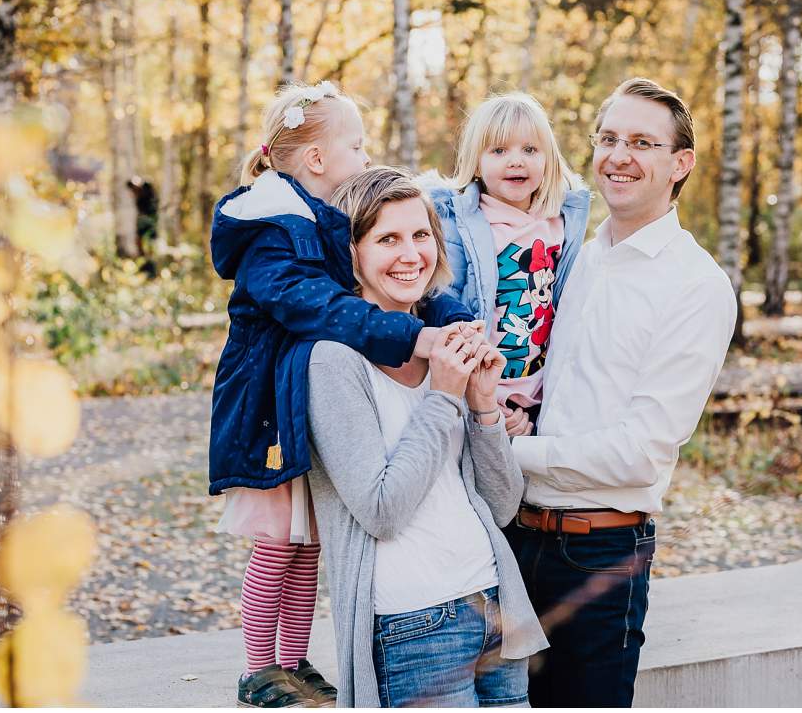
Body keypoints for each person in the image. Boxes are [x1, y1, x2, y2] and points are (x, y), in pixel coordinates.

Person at [208, 82, 482, 708]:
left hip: (306, 408)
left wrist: (453, 320)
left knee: (310, 547)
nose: (365, 157)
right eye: (355, 146)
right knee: (278, 544)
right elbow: (325, 308)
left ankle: (292, 659)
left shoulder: (320, 223)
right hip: (269, 413)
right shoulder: (271, 232)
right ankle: (259, 669)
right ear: (316, 161)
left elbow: (387, 284)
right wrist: (411, 336)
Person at [503, 78, 737, 706]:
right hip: (513, 539)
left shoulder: (696, 286)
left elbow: (641, 450)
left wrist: (514, 454)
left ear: (679, 164)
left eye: (641, 142)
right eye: (608, 139)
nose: (618, 156)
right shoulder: (575, 258)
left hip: (599, 557)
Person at [305, 167, 549, 708]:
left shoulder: (447, 344)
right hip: (412, 624)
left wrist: (483, 404)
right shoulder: (332, 361)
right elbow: (381, 509)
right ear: (351, 254)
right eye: (387, 239)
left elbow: (503, 505)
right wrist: (443, 396)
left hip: (493, 605)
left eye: (420, 235)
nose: (410, 254)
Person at [429, 92, 591, 436]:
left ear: (548, 159)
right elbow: (446, 307)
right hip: (480, 389)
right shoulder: (463, 225)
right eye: (499, 151)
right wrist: (485, 399)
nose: (516, 161)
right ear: (476, 162)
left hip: (542, 393)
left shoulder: (561, 223)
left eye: (530, 150)